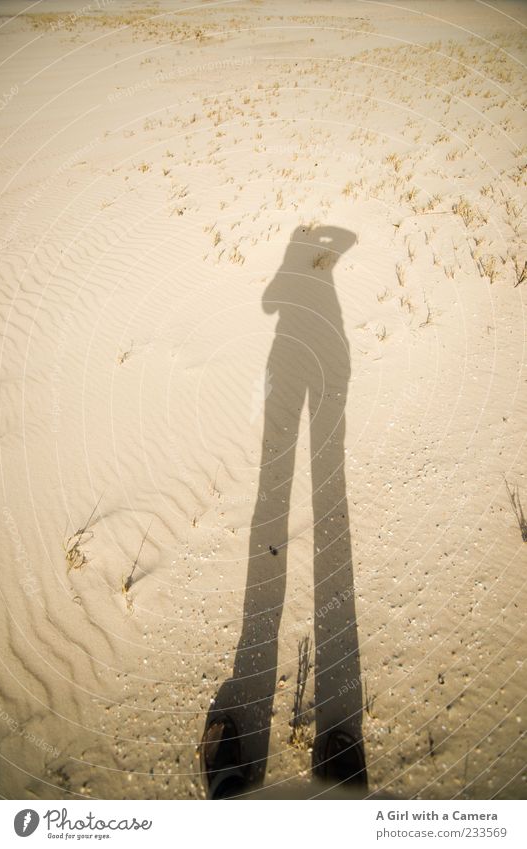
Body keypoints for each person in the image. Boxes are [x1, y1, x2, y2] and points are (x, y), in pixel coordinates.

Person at [200, 226, 366, 799]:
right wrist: (319, 249)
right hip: (326, 355)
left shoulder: (291, 287)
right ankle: (344, 792)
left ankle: (230, 788)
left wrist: (307, 254)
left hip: (305, 355)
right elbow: (336, 243)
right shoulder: (315, 282)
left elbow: (272, 301)